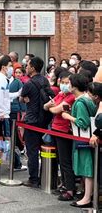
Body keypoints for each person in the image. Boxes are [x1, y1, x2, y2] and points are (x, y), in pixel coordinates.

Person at [62, 74, 97, 208]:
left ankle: (87, 197)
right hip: (88, 139)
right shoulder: (87, 99)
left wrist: (68, 117)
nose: (67, 85)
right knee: (88, 167)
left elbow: (83, 122)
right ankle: (87, 195)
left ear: (75, 86)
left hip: (83, 139)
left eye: (69, 83)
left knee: (87, 168)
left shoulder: (81, 102)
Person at [20, 56, 55, 188]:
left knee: (32, 150)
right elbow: (51, 94)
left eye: (28, 65)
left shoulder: (28, 84)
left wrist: (25, 99)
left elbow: (21, 98)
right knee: (43, 149)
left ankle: (33, 178)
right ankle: (44, 176)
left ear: (33, 68)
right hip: (44, 119)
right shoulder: (45, 80)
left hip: (32, 120)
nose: (26, 67)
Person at [44, 71, 76, 201]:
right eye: (62, 82)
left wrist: (53, 107)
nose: (64, 85)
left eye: (67, 83)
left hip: (64, 130)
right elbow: (46, 106)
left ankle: (70, 189)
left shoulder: (71, 97)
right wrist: (52, 107)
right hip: (55, 128)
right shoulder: (61, 94)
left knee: (65, 161)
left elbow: (55, 109)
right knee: (59, 160)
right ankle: (64, 184)